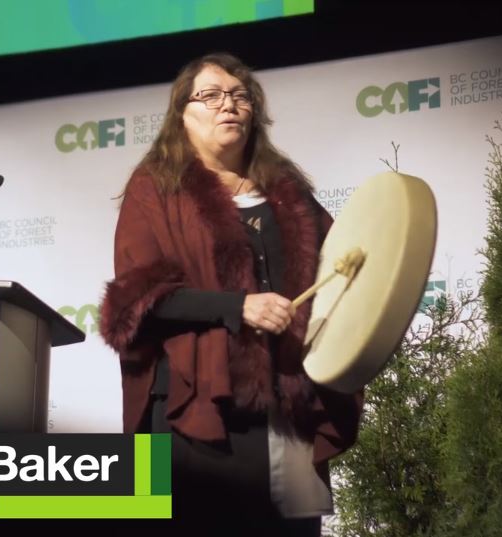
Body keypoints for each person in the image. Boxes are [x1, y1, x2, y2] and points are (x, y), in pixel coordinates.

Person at [99, 52, 364, 536]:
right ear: (182, 115)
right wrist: (237, 308)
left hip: (285, 409)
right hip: (197, 409)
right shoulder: (155, 190)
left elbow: (344, 267)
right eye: (211, 96)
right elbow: (136, 302)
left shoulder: (288, 192)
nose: (229, 106)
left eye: (241, 97)